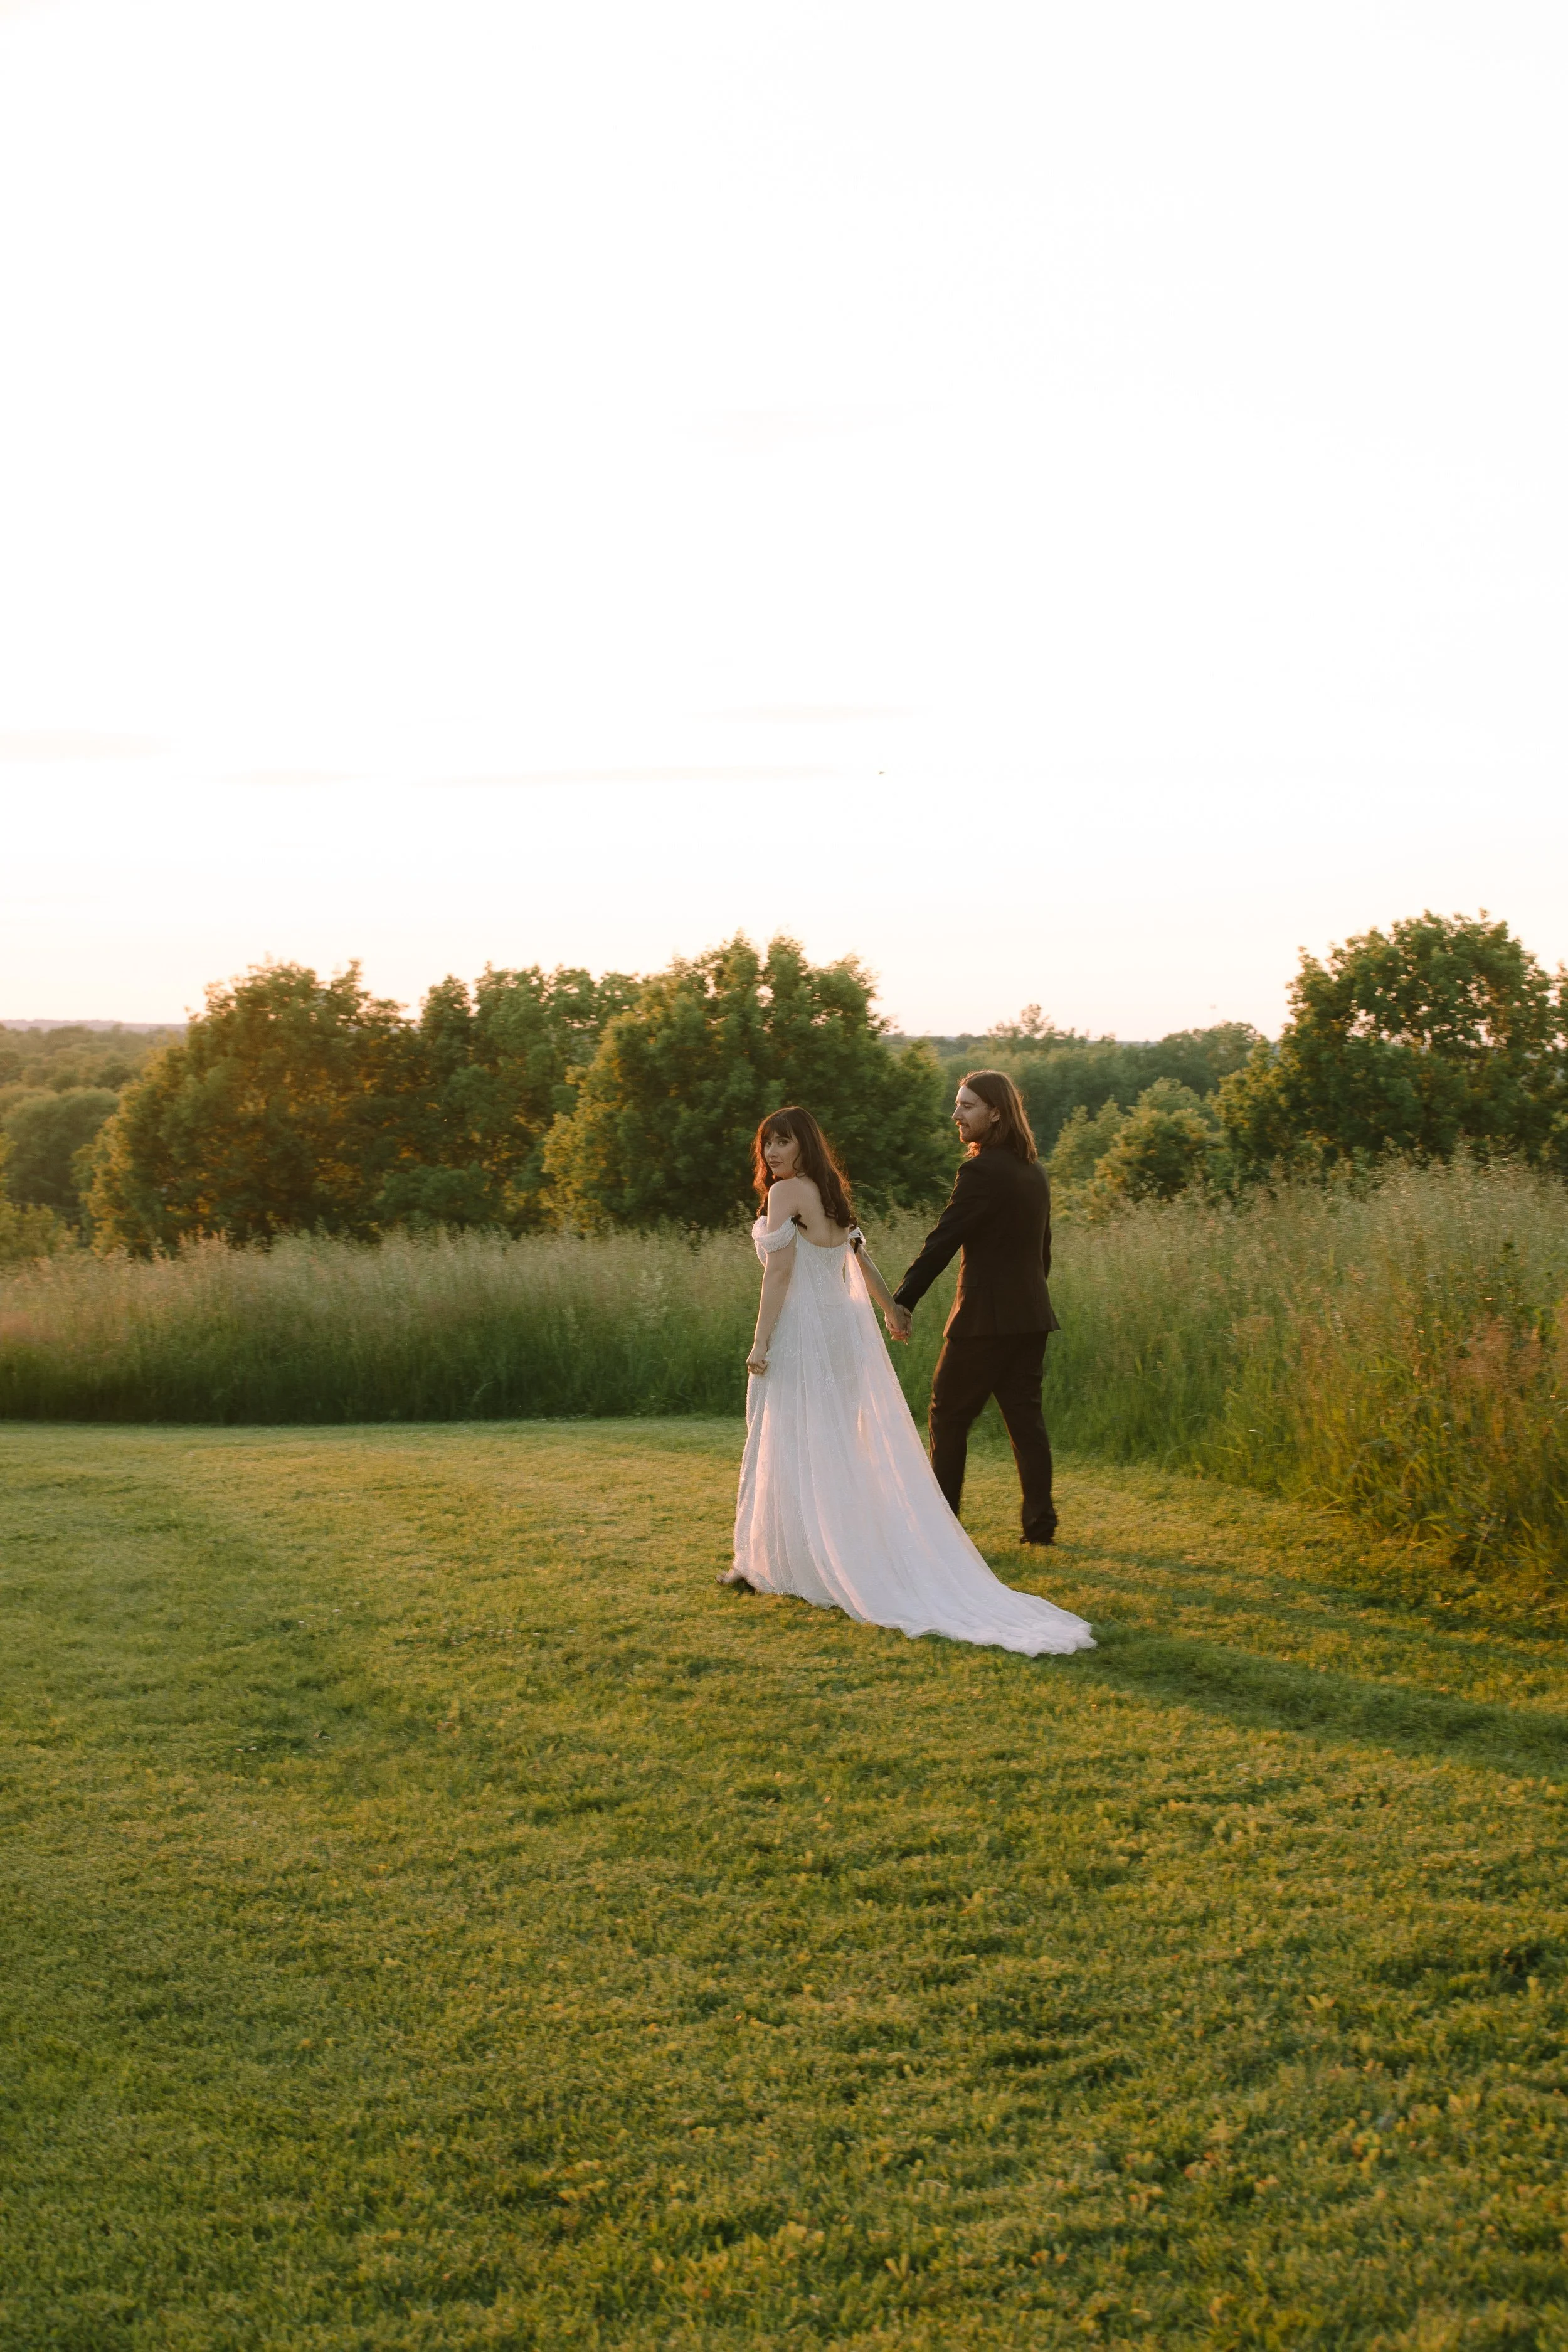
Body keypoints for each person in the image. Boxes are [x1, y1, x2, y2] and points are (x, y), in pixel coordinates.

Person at [723, 1104, 1093, 1659]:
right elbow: (860, 1262)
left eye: (783, 1141)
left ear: (804, 1145)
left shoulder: (786, 1195)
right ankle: (810, 1553)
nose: (773, 1152)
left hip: (805, 1330)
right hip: (844, 1331)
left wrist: (759, 1343)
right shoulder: (830, 1191)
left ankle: (779, 1562)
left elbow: (779, 1274)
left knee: (792, 1437)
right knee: (835, 1440)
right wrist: (892, 1310)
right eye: (767, 1143)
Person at [891, 1069, 1060, 1547]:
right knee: (1026, 1423)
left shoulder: (980, 1170)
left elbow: (944, 1240)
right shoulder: (1034, 1171)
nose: (956, 1115)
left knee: (948, 1418)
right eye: (958, 1105)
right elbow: (1042, 1253)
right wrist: (1026, 1302)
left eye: (967, 1107)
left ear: (996, 1113)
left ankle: (940, 1532)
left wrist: (903, 1301)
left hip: (984, 1320)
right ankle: (1040, 1527)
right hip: (1031, 1317)